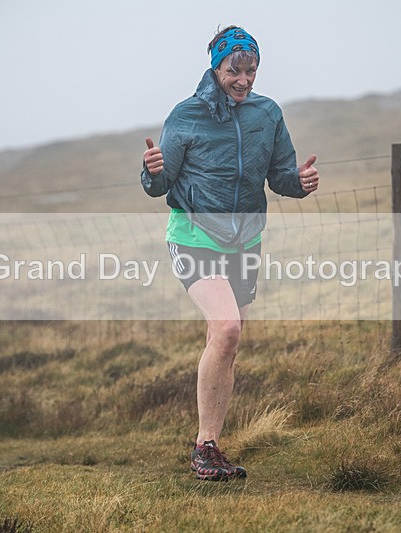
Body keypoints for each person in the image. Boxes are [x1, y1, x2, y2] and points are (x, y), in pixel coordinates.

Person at [141, 26, 319, 481]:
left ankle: (210, 447)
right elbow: (161, 185)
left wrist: (299, 183)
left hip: (246, 240)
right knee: (228, 329)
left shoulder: (267, 113)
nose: (243, 80)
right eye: (234, 71)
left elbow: (280, 175)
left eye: (251, 70)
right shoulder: (187, 115)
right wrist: (152, 171)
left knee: (224, 344)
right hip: (194, 234)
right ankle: (204, 449)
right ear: (216, 67)